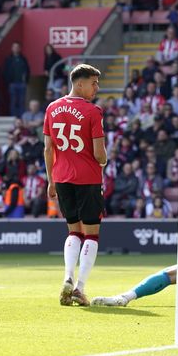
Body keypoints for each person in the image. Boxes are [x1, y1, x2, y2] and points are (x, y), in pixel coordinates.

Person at [43, 64, 107, 307]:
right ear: (79, 84)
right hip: (88, 178)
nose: (96, 88)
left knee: (73, 231)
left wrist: (51, 180)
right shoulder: (93, 111)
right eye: (93, 83)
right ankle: (79, 288)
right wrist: (105, 159)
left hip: (62, 179)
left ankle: (67, 277)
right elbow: (99, 154)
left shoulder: (52, 107)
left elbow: (48, 148)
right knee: (91, 234)